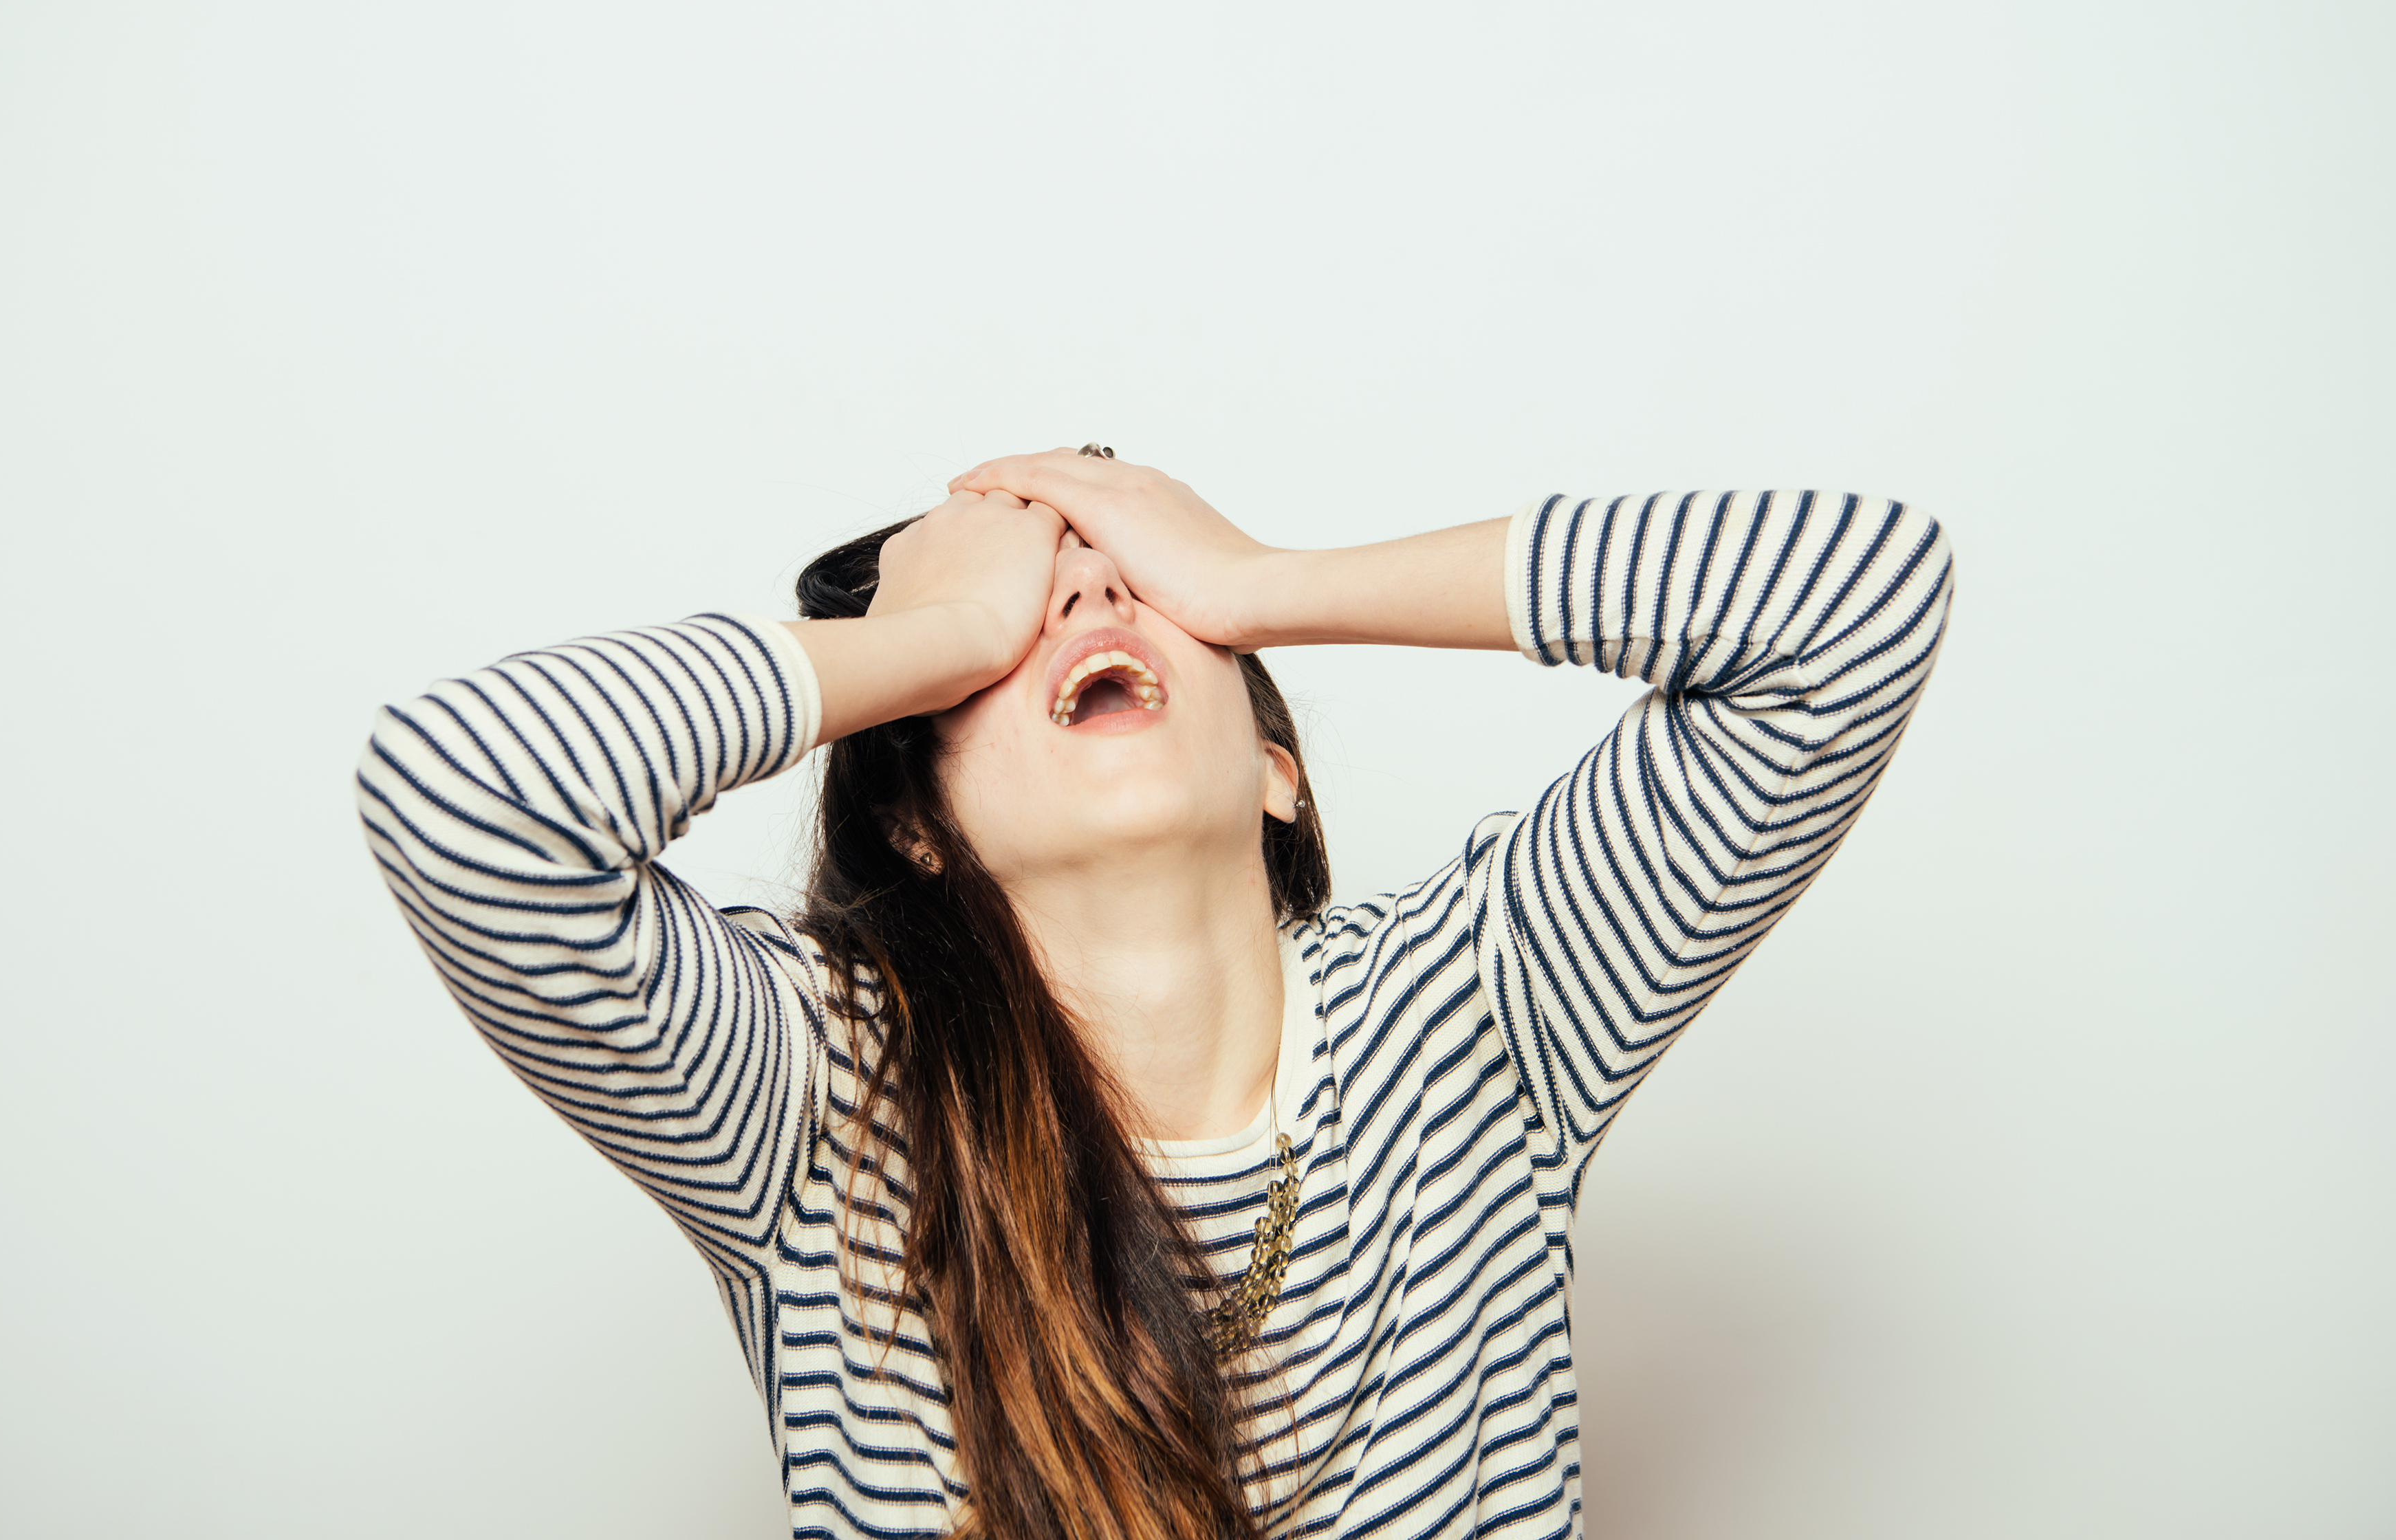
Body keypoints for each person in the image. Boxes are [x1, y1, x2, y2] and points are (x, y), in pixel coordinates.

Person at [354, 448, 1953, 1540]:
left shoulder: (1478, 1010)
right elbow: (460, 796)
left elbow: (1853, 602)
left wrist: (1263, 578)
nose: (1089, 602)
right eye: (1021, 618)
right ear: (915, 820)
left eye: (1135, 584)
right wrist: (938, 624)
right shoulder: (816, 1092)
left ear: (1273, 767)